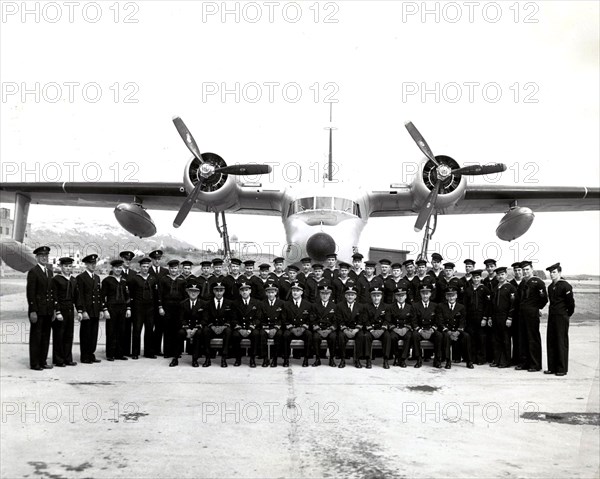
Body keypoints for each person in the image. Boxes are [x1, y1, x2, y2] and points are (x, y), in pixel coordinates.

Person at [26, 246, 55, 371]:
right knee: (36, 337)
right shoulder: (33, 271)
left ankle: (43, 361)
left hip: (48, 310)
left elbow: (52, 292)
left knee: (45, 337)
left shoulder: (49, 272)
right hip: (38, 310)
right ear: (37, 257)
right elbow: (30, 293)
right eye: (42, 256)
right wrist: (33, 310)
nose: (44, 258)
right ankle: (35, 363)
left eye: (46, 256)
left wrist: (53, 309)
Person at [516, 260, 548, 372]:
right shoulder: (523, 283)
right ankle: (524, 363)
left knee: (532, 339)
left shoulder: (538, 282)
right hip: (522, 314)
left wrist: (537, 308)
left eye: (527, 269)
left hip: (532, 314)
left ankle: (535, 364)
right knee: (523, 338)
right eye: (523, 270)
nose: (525, 272)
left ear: (532, 269)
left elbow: (544, 298)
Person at [545, 263, 574, 377]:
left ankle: (561, 368)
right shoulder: (550, 287)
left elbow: (570, 304)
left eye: (554, 272)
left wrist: (566, 315)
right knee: (551, 341)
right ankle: (552, 367)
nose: (552, 275)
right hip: (552, 316)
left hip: (561, 316)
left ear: (560, 273)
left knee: (561, 342)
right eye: (551, 272)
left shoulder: (565, 286)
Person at [51, 257, 80, 367]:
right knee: (59, 335)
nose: (68, 268)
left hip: (70, 309)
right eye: (65, 266)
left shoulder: (73, 280)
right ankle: (58, 360)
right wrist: (57, 311)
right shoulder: (56, 280)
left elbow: (77, 297)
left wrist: (80, 310)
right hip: (61, 309)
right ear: (61, 267)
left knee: (69, 335)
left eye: (69, 266)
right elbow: (55, 297)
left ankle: (68, 358)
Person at [128, 257, 157, 359]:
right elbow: (130, 294)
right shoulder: (134, 279)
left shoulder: (153, 278)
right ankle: (135, 353)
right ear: (140, 267)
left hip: (150, 308)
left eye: (147, 267)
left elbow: (155, 293)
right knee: (137, 330)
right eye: (143, 266)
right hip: (138, 308)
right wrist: (130, 308)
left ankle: (149, 352)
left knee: (149, 330)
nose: (145, 268)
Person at [101, 259, 131, 362]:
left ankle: (120, 353)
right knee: (111, 331)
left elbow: (127, 296)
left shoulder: (124, 281)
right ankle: (110, 354)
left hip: (122, 308)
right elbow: (102, 297)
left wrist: (128, 308)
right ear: (112, 268)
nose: (118, 269)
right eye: (116, 268)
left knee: (121, 331)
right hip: (111, 308)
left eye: (120, 268)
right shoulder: (107, 281)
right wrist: (105, 310)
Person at [437, 287, 473, 369]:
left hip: (457, 331)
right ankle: (448, 361)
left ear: (456, 296)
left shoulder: (461, 307)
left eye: (453, 295)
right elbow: (440, 321)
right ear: (446, 297)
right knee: (445, 337)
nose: (451, 298)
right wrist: (448, 331)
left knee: (466, 336)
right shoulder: (441, 306)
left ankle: (469, 361)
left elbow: (463, 321)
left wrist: (458, 332)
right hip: (447, 330)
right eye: (449, 296)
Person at [158, 260, 187, 359]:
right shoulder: (164, 280)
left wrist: (184, 308)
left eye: (175, 268)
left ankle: (177, 352)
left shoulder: (182, 280)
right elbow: (160, 294)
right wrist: (160, 307)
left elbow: (185, 296)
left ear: (178, 269)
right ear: (169, 269)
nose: (173, 270)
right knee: (167, 329)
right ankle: (167, 351)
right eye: (171, 268)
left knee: (177, 329)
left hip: (179, 307)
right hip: (167, 307)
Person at [76, 254, 102, 364]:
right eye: (91, 264)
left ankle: (91, 354)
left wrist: (100, 309)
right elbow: (80, 296)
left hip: (95, 310)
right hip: (87, 310)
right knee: (86, 334)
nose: (93, 265)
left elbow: (99, 295)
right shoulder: (81, 278)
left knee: (94, 334)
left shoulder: (97, 277)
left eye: (94, 263)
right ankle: (84, 356)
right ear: (86, 264)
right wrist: (83, 311)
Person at [172, 283, 206, 367]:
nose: (193, 293)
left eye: (195, 291)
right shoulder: (183, 303)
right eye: (191, 291)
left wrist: (195, 328)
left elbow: (205, 319)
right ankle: (175, 358)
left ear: (198, 293)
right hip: (186, 327)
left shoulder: (203, 304)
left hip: (197, 327)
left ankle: (195, 359)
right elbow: (181, 318)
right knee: (180, 333)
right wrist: (187, 329)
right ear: (188, 292)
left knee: (198, 334)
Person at [232, 282, 265, 367]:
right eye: (242, 290)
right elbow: (233, 318)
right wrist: (239, 329)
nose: (244, 292)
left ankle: (252, 358)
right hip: (240, 328)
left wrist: (250, 328)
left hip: (251, 327)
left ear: (250, 291)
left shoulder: (257, 303)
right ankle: (238, 358)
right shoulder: (235, 303)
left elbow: (258, 318)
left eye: (246, 290)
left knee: (255, 334)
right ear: (239, 292)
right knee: (235, 335)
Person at [202, 282, 235, 367]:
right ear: (213, 291)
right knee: (205, 330)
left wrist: (224, 326)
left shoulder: (229, 303)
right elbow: (205, 317)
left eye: (221, 290)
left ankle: (224, 358)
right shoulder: (208, 303)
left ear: (224, 291)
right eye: (217, 290)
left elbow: (231, 318)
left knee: (228, 331)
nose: (219, 293)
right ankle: (207, 358)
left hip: (223, 327)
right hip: (212, 327)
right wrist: (212, 326)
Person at [490, 267, 517, 368]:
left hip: (505, 317)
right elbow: (492, 304)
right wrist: (490, 318)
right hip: (496, 317)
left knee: (506, 339)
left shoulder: (510, 288)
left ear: (506, 275)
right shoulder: (496, 288)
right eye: (498, 275)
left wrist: (510, 318)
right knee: (496, 339)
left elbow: (513, 304)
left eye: (502, 274)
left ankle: (505, 361)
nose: (500, 277)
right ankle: (497, 360)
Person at [334, 286, 367, 368]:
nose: (350, 297)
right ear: (345, 296)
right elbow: (339, 320)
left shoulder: (360, 306)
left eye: (352, 295)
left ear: (355, 296)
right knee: (341, 336)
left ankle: (357, 360)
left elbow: (361, 320)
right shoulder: (339, 306)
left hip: (356, 328)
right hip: (345, 328)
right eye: (348, 295)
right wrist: (345, 330)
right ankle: (342, 359)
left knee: (360, 336)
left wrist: (356, 329)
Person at [463, 269, 491, 365]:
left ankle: (481, 358)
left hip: (480, 317)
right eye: (474, 277)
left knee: (481, 338)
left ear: (481, 278)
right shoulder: (468, 290)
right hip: (470, 318)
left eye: (478, 277)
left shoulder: (485, 289)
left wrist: (485, 318)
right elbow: (465, 305)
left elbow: (488, 305)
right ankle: (472, 358)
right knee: (472, 338)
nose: (476, 279)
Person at [282, 282, 312, 367]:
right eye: (293, 290)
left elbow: (310, 319)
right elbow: (284, 319)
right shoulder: (286, 304)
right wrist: (291, 328)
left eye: (297, 291)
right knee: (285, 335)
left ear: (302, 292)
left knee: (309, 335)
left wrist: (303, 328)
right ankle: (286, 359)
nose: (295, 292)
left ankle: (306, 359)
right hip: (291, 329)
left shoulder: (308, 305)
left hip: (302, 329)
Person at [412, 285, 443, 368]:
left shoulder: (435, 306)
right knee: (415, 335)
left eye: (427, 293)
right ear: (420, 294)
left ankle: (437, 359)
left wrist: (433, 329)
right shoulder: (415, 306)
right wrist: (419, 330)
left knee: (439, 335)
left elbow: (438, 320)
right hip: (421, 330)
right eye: (423, 293)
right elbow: (413, 321)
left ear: (430, 294)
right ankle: (418, 359)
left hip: (431, 330)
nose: (425, 296)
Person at [310, 285, 338, 367]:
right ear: (320, 294)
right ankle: (317, 359)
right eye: (323, 294)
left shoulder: (334, 306)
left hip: (329, 329)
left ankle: (332, 359)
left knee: (333, 337)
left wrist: (329, 330)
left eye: (327, 294)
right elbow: (312, 319)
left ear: (330, 295)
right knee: (315, 337)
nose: (325, 296)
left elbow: (336, 321)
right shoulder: (314, 306)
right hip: (319, 329)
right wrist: (318, 330)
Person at [387, 286, 414, 367]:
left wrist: (406, 328)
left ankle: (403, 358)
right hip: (395, 328)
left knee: (409, 337)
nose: (400, 297)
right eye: (398, 295)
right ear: (395, 297)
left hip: (406, 329)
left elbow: (412, 320)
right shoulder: (391, 307)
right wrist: (395, 329)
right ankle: (396, 356)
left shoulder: (410, 307)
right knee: (392, 337)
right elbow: (388, 320)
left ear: (405, 296)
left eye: (402, 295)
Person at [365, 286, 390, 368]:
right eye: (374, 296)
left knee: (387, 336)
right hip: (371, 329)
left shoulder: (386, 307)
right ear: (371, 296)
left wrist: (382, 330)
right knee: (366, 336)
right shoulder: (367, 307)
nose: (376, 298)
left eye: (378, 296)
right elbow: (365, 320)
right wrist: (371, 330)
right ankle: (368, 359)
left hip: (381, 329)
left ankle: (385, 360)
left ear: (381, 296)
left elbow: (387, 320)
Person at [262, 284, 286, 367]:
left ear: (276, 292)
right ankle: (265, 358)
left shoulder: (281, 303)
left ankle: (275, 358)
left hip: (276, 327)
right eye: (269, 292)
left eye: (272, 292)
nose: (270, 294)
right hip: (266, 327)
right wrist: (266, 329)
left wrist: (276, 328)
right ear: (266, 293)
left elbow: (282, 318)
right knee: (261, 334)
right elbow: (260, 317)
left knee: (279, 335)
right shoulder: (262, 303)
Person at [119, 250, 136, 357]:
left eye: (129, 260)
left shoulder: (134, 274)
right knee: (120, 327)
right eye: (125, 259)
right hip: (119, 303)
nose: (127, 262)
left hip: (130, 303)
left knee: (128, 327)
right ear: (122, 260)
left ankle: (126, 350)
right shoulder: (116, 272)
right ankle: (118, 350)